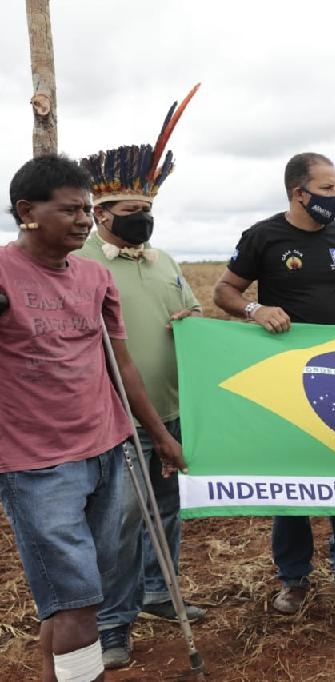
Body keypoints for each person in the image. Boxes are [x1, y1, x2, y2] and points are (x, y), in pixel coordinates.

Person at [1, 154, 185, 681]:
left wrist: (157, 435)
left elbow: (121, 364)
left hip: (109, 449)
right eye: (71, 210)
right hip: (36, 466)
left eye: (87, 210)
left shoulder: (94, 276)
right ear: (26, 212)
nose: (84, 219)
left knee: (77, 598)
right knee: (79, 603)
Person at [213, 152, 335, 615]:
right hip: (286, 379)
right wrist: (255, 310)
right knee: (291, 478)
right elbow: (223, 291)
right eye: (328, 189)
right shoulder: (263, 237)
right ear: (299, 193)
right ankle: (294, 579)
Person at [76, 88, 206, 670]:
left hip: (172, 408)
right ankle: (112, 622)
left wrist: (193, 321)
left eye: (147, 209)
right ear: (102, 214)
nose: (142, 220)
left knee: (168, 507)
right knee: (123, 519)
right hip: (113, 417)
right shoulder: (79, 263)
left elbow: (194, 313)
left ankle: (160, 590)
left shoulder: (166, 261)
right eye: (131, 211)